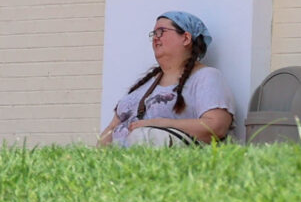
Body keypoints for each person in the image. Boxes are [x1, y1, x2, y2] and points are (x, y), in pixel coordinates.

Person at [99, 12, 236, 147]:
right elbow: (111, 127)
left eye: (161, 32)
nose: (155, 38)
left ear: (186, 38)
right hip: (119, 159)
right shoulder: (145, 85)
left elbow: (216, 126)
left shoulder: (206, 76)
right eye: (153, 34)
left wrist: (160, 123)